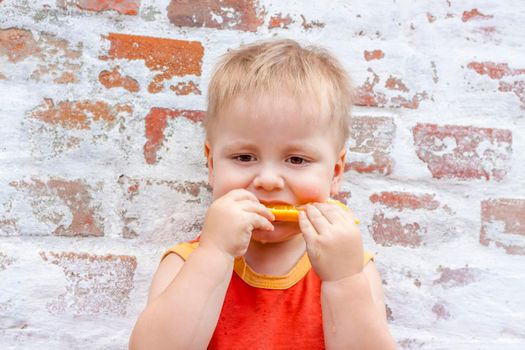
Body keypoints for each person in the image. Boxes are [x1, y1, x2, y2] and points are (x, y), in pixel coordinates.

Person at [129, 39, 396, 349]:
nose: (268, 180)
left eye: (296, 160)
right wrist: (215, 254)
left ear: (335, 172)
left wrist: (343, 281)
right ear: (212, 164)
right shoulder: (185, 262)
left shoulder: (352, 267)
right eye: (244, 157)